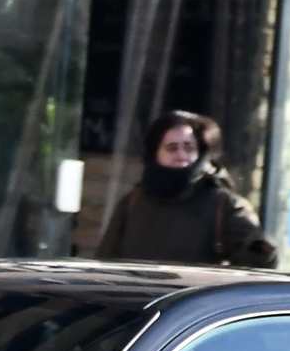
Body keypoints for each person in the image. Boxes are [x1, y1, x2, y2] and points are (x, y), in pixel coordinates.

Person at [96, 111, 276, 266]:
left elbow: (256, 259)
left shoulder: (222, 203)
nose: (181, 156)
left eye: (189, 148)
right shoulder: (133, 202)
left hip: (194, 305)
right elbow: (106, 262)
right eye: (172, 148)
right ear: (155, 153)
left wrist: (261, 249)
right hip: (139, 303)